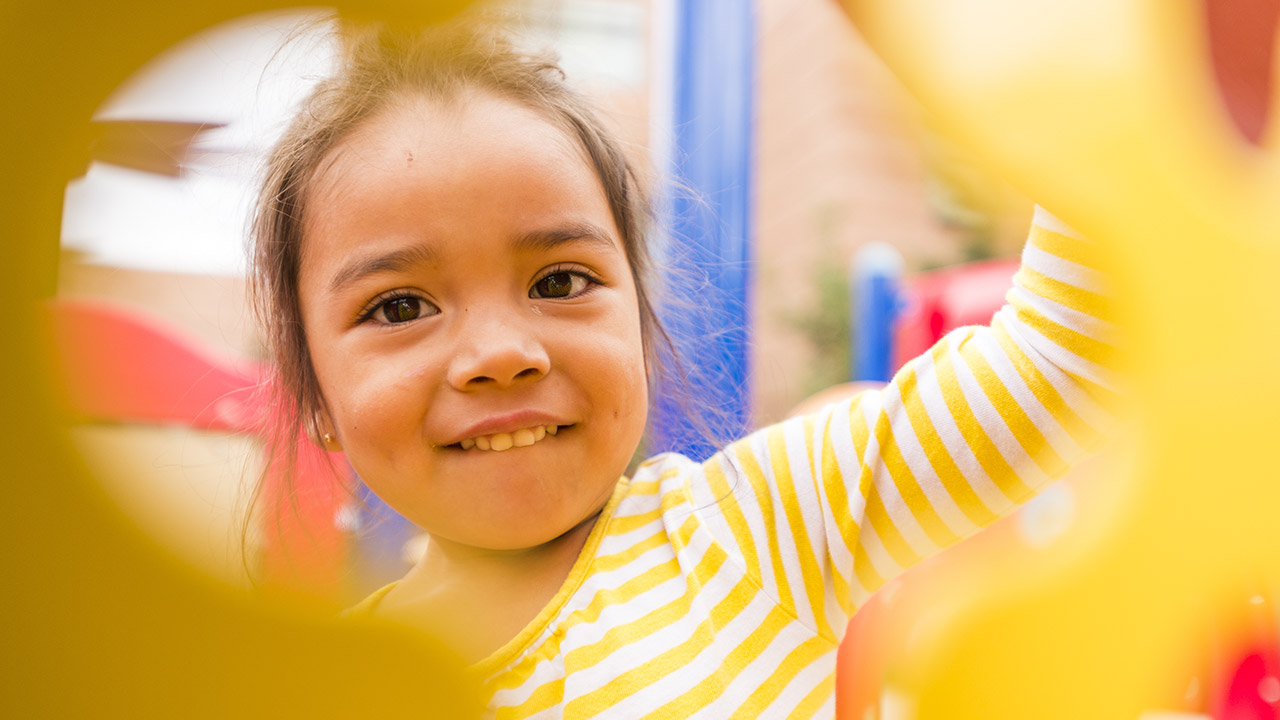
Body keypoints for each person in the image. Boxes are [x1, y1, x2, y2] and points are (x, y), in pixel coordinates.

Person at [249, 17, 1112, 719]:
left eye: (560, 281)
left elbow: (1061, 357)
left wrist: (1056, 80)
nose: (502, 354)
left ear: (638, 314)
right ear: (315, 391)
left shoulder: (757, 529)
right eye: (400, 307)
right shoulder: (330, 689)